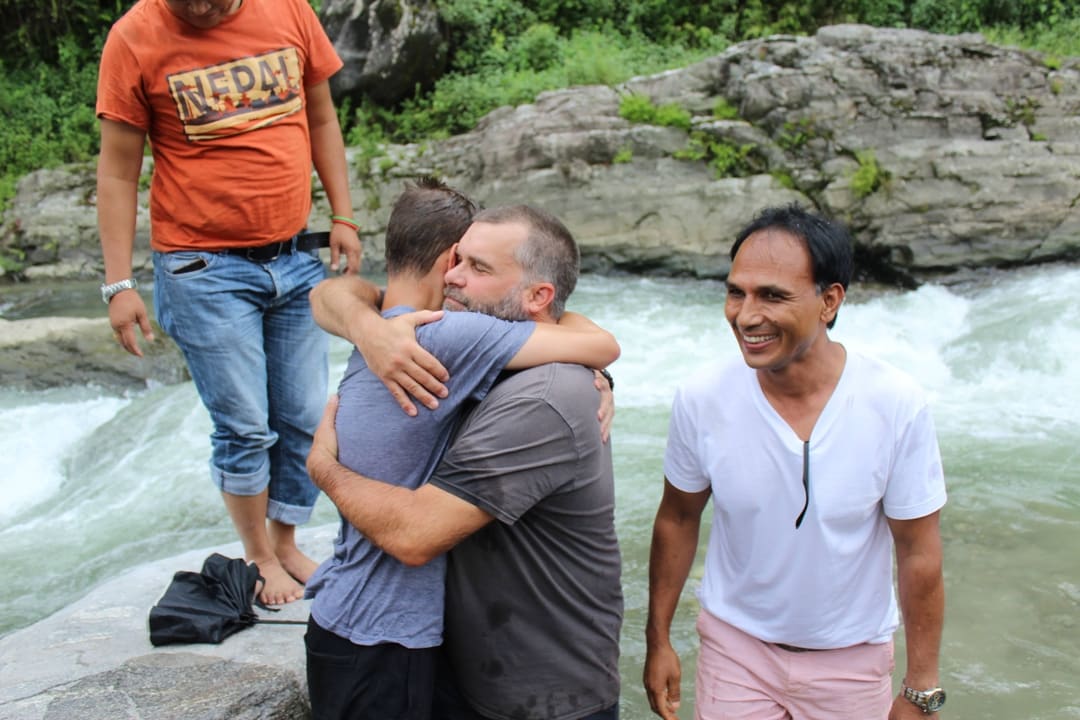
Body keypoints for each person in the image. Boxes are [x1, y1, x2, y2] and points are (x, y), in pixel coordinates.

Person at [303, 182, 620, 720]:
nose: (453, 276)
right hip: (421, 649)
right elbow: (597, 340)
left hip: (538, 695)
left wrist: (325, 469)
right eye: (455, 260)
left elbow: (331, 293)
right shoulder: (438, 337)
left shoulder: (465, 348)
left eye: (474, 265)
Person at [95, 0, 362, 605]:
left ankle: (286, 539)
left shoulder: (288, 9)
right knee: (244, 426)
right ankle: (259, 555)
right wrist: (119, 284)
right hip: (201, 268)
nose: (202, 8)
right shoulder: (135, 37)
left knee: (300, 416)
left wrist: (341, 213)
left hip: (295, 258)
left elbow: (320, 117)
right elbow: (117, 171)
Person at [643, 204, 947, 720]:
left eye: (773, 296)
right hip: (734, 650)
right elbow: (677, 518)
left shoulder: (895, 402)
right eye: (736, 291)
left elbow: (918, 552)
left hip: (852, 661)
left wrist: (920, 689)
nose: (746, 315)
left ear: (829, 301)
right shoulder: (702, 397)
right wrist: (658, 641)